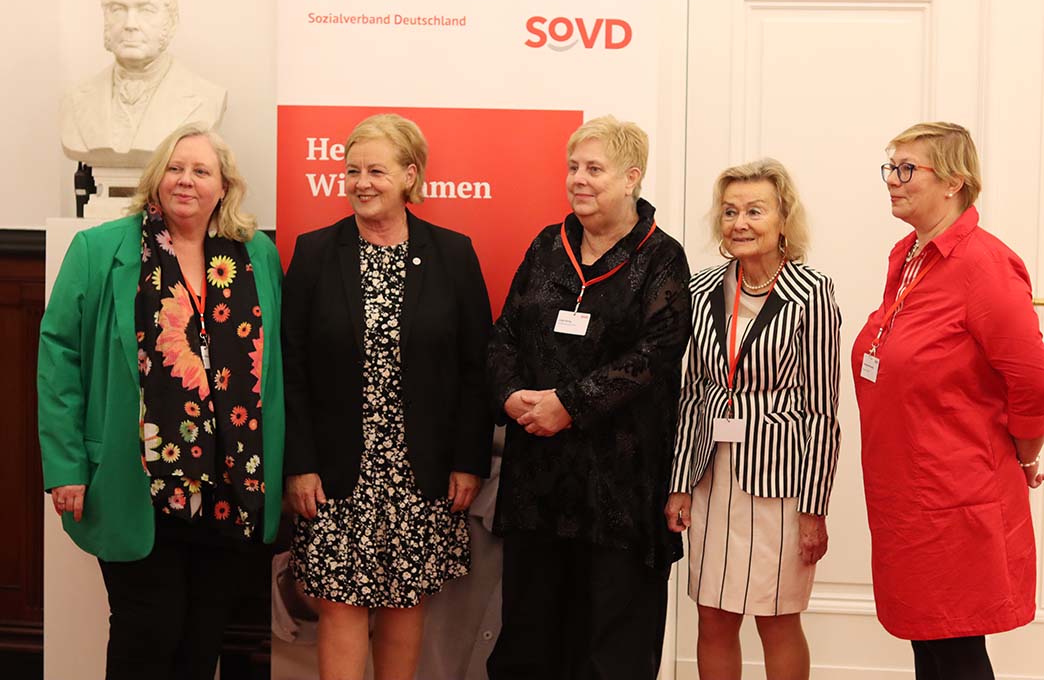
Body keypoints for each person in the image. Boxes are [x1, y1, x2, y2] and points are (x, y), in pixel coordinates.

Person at [38, 123, 285, 679]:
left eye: (201, 171)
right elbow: (59, 359)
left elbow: (274, 369)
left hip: (230, 485)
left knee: (202, 643)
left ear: (224, 187)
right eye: (175, 168)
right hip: (136, 482)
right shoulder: (100, 249)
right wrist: (65, 466)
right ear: (156, 178)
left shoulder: (256, 255)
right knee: (147, 634)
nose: (186, 180)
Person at [282, 113, 493, 680]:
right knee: (340, 604)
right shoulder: (315, 252)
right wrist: (299, 464)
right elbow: (290, 368)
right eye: (352, 170)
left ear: (409, 176)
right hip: (334, 471)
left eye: (376, 170)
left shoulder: (452, 254)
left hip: (419, 469)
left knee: (406, 603)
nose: (361, 182)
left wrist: (468, 461)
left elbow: (477, 368)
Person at [486, 115, 692, 680]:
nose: (578, 179)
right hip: (537, 479)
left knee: (611, 649)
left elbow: (656, 355)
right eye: (573, 167)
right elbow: (504, 334)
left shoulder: (662, 257)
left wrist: (569, 405)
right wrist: (510, 396)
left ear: (631, 178)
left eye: (594, 169)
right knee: (530, 639)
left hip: (618, 487)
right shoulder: (546, 246)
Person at [852, 121, 1044, 680]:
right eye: (890, 167)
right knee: (928, 644)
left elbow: (1032, 376)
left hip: (955, 498)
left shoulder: (984, 264)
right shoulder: (908, 256)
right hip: (907, 493)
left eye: (907, 169)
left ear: (954, 182)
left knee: (955, 649)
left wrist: (1025, 449)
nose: (893, 180)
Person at [667, 158, 841, 680]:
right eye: (730, 211)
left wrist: (814, 508)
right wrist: (679, 483)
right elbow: (692, 393)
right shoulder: (700, 290)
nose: (739, 223)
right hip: (712, 480)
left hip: (781, 487)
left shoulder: (811, 293)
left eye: (754, 211)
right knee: (713, 617)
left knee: (778, 620)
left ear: (783, 219)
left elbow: (823, 410)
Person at [61, 0, 227, 168]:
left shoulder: (207, 97)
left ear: (171, 23)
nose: (130, 24)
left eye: (146, 11)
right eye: (118, 10)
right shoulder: (75, 99)